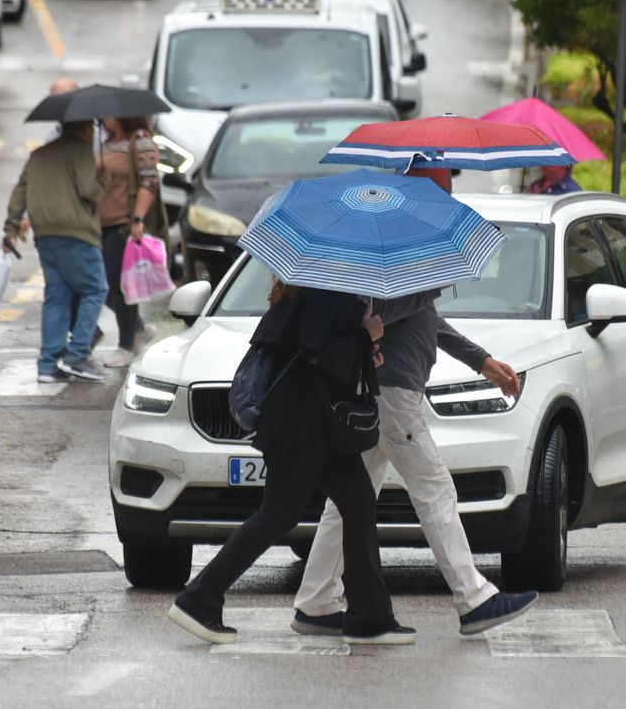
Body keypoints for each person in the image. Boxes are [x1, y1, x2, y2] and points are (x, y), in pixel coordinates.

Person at [292, 164, 539, 638]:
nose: (451, 192)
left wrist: (482, 361)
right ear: (423, 187)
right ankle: (473, 598)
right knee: (435, 491)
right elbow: (376, 310)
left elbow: (428, 321)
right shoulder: (392, 252)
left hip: (389, 392)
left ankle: (316, 603)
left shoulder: (409, 256)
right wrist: (424, 287)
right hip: (391, 396)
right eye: (446, 184)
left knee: (348, 501)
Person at [170, 283, 416, 646]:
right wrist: (365, 337)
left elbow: (320, 354)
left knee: (359, 502)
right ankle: (199, 598)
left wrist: (363, 352)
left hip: (317, 426)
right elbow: (320, 355)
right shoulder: (322, 294)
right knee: (279, 514)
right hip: (302, 427)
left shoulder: (314, 293)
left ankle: (370, 617)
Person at [3, 113, 110, 384]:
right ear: (85, 127)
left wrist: (11, 229)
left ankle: (48, 365)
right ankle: (78, 356)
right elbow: (90, 191)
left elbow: (19, 192)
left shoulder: (38, 155)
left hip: (46, 235)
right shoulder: (81, 150)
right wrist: (103, 178)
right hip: (77, 234)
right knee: (95, 289)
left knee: (57, 296)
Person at [97, 115, 161, 367]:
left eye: (109, 115)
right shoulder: (104, 142)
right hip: (98, 225)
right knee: (99, 285)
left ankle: (126, 345)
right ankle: (138, 328)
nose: (104, 119)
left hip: (123, 225)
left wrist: (137, 218)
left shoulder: (141, 141)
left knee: (119, 286)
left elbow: (149, 180)